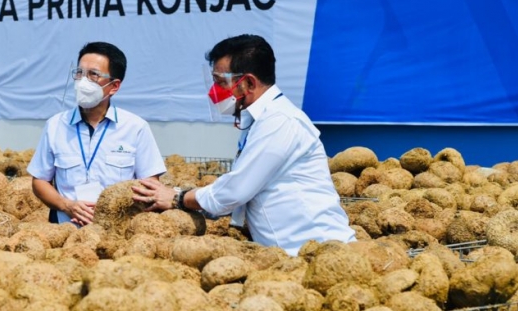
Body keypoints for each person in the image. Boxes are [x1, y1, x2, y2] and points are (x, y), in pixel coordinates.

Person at [132, 34, 354, 255]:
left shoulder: (280, 122)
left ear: (248, 82)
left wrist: (177, 197)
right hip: (291, 253)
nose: (214, 91)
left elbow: (234, 191)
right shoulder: (257, 121)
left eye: (220, 81)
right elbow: (235, 194)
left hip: (319, 250)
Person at [27, 41, 165, 225]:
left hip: (117, 234)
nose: (83, 81)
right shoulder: (55, 126)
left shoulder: (135, 128)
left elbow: (150, 185)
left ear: (114, 86)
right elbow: (39, 182)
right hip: (64, 233)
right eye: (79, 73)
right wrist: (66, 205)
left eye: (93, 75)